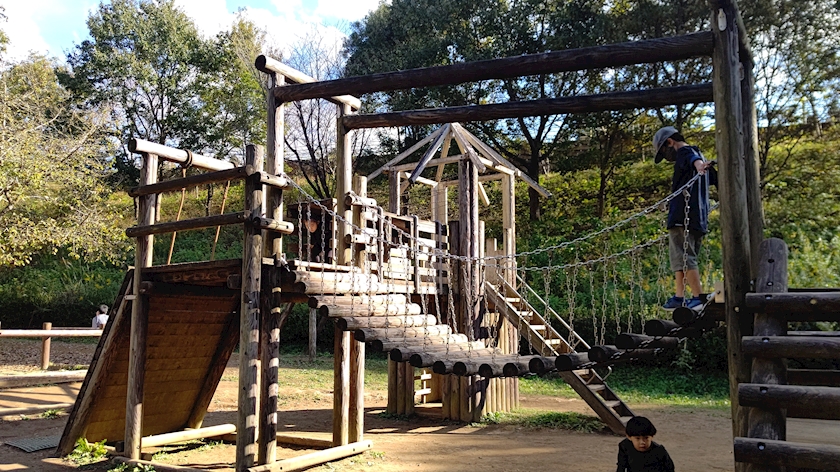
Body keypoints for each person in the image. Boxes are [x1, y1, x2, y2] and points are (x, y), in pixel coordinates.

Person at [653, 126, 715, 311]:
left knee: (685, 257)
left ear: (670, 142)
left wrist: (698, 165)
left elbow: (692, 159)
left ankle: (698, 297)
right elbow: (715, 178)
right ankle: (679, 296)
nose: (667, 158)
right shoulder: (699, 154)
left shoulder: (685, 152)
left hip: (682, 216)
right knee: (680, 259)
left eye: (664, 152)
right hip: (698, 217)